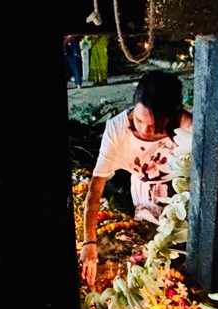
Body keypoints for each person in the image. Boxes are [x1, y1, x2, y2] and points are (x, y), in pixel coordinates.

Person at [79, 70, 193, 286]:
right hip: (145, 203)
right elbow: (96, 188)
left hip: (182, 206)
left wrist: (183, 120)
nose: (144, 130)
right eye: (140, 120)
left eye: (155, 126)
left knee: (183, 263)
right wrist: (89, 242)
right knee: (152, 255)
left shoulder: (183, 124)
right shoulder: (116, 130)